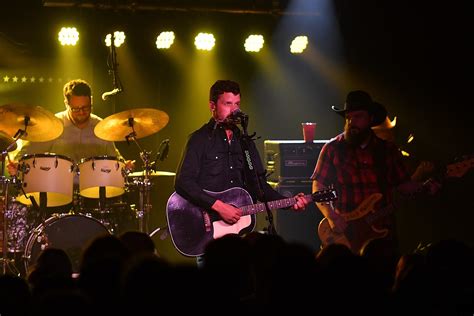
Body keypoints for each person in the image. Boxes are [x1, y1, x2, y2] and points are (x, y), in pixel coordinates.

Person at [174, 79, 309, 256]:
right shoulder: (199, 140)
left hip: (236, 233)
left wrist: (290, 203)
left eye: (237, 104)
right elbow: (183, 182)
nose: (234, 110)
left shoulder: (245, 142)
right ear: (212, 106)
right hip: (206, 233)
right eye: (227, 104)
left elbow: (260, 187)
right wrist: (219, 206)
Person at [311, 90, 437, 254]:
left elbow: (404, 186)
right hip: (346, 234)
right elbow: (318, 186)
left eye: (358, 116)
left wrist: (424, 187)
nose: (351, 122)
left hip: (382, 234)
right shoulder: (333, 148)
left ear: (370, 119)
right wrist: (331, 216)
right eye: (349, 117)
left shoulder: (387, 150)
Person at [7, 79, 134, 216]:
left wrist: (124, 166)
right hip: (56, 195)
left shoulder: (100, 126)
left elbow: (114, 158)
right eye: (76, 109)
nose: (81, 112)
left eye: (86, 108)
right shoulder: (53, 125)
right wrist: (16, 167)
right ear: (66, 103)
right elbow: (24, 156)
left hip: (93, 196)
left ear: (91, 101)